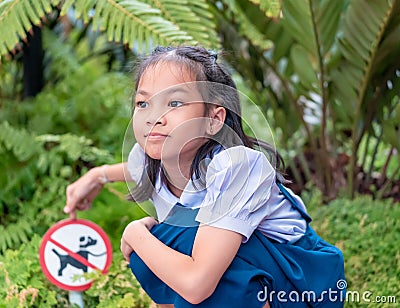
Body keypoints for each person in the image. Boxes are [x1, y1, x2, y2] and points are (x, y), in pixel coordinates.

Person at [64, 46, 345, 307]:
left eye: (174, 103)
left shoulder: (239, 167)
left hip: (301, 280)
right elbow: (132, 169)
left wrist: (135, 233)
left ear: (213, 119)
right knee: (166, 243)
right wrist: (96, 176)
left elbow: (197, 284)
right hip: (253, 269)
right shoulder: (151, 158)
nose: (154, 117)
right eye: (143, 103)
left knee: (165, 242)